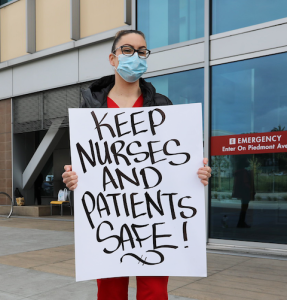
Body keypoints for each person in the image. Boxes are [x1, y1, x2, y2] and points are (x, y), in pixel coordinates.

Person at [62, 29, 212, 300]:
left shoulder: (162, 106)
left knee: (154, 291)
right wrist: (74, 179)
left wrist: (197, 173)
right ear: (113, 58)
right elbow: (87, 165)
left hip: (155, 223)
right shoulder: (91, 109)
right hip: (110, 222)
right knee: (109, 291)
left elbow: (175, 163)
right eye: (128, 50)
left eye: (142, 51)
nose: (136, 56)